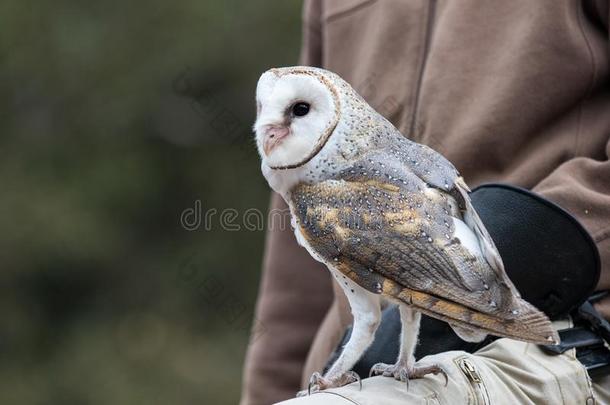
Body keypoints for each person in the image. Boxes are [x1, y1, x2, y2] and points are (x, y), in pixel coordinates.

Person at [240, 1, 610, 404]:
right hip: (362, 369)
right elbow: (295, 286)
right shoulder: (311, 191)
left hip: (563, 339)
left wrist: (520, 249)